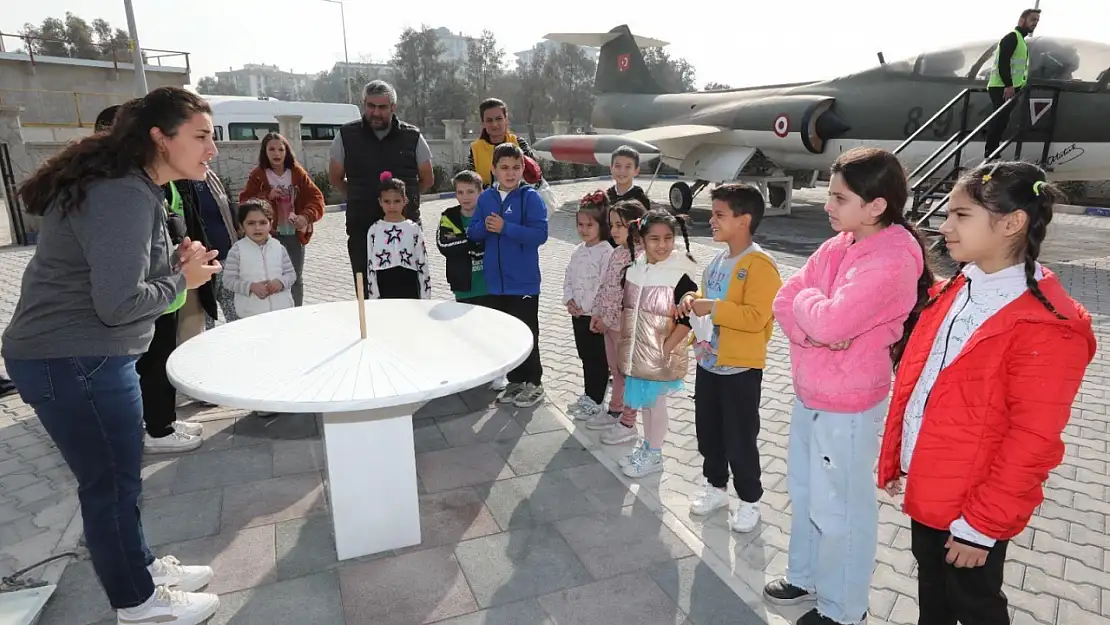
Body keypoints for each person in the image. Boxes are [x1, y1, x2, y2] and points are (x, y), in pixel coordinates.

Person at [1, 86, 222, 625]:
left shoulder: (129, 188)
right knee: (111, 487)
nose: (212, 150)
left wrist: (171, 262)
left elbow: (111, 273)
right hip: (76, 362)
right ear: (159, 137)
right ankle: (139, 603)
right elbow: (119, 303)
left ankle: (141, 568)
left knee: (119, 481)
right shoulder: (123, 193)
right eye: (201, 137)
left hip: (81, 358)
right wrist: (182, 279)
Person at [878, 161, 1095, 625]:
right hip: (931, 482)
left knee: (974, 606)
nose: (945, 225)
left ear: (1012, 223)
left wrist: (982, 526)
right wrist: (899, 453)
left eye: (961, 215)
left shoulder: (1049, 324)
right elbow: (924, 382)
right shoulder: (959, 289)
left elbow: (1033, 441)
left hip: (974, 504)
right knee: (933, 599)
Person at [766, 147, 933, 625]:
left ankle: (844, 610)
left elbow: (834, 321)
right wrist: (815, 322)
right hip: (811, 393)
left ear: (875, 205)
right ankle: (808, 576)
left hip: (849, 404)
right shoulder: (841, 244)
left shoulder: (893, 256)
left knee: (840, 507)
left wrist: (821, 318)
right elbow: (787, 297)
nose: (827, 205)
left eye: (839, 197)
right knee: (805, 491)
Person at [679, 183, 782, 534]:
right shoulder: (717, 261)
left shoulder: (760, 265)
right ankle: (715, 486)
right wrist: (693, 298)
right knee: (709, 431)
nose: (711, 220)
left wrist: (715, 308)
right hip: (709, 363)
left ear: (744, 220)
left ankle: (750, 500)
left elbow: (757, 317)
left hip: (740, 368)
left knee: (740, 436)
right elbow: (707, 299)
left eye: (720, 215)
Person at [329, 80, 434, 297]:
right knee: (367, 293)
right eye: (370, 106)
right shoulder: (346, 136)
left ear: (393, 107)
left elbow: (427, 179)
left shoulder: (412, 136)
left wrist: (405, 201)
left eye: (382, 107)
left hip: (404, 231)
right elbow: (336, 177)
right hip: (362, 230)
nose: (376, 112)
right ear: (363, 104)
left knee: (409, 292)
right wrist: (359, 196)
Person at [617, 209, 698, 479]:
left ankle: (654, 453)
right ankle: (649, 448)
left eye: (668, 238)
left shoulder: (679, 274)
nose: (662, 245)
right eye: (654, 239)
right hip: (637, 355)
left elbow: (688, 318)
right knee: (646, 405)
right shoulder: (633, 270)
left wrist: (665, 349)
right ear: (641, 239)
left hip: (659, 357)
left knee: (656, 404)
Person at [467, 143, 549, 408]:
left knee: (527, 334)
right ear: (493, 169)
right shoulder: (486, 198)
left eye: (516, 167)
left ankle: (534, 384)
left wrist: (506, 228)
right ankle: (515, 381)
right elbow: (474, 232)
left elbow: (540, 235)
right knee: (507, 336)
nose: (510, 173)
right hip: (496, 283)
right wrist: (484, 228)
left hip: (523, 282)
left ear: (523, 169)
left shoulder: (530, 198)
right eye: (504, 168)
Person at [238, 132, 326, 307]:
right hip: (268, 235)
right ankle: (273, 314)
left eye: (280, 149)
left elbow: (317, 198)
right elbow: (245, 202)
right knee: (268, 276)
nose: (276, 153)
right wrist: (267, 196)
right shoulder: (258, 174)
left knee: (294, 276)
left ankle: (296, 313)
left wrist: (305, 217)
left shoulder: (296, 172)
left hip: (294, 234)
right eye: (271, 149)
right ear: (265, 151)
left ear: (287, 151)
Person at [436, 170, 504, 390]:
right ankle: (474, 371)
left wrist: (467, 242)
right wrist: (474, 243)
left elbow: (495, 242)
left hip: (490, 284)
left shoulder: (490, 214)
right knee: (468, 332)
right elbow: (446, 246)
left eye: (470, 192)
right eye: (460, 192)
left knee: (493, 329)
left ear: (480, 191)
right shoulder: (449, 216)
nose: (465, 197)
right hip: (464, 286)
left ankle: (499, 371)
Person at [587, 199, 647, 444]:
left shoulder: (641, 258)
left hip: (625, 328)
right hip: (608, 326)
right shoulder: (617, 252)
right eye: (612, 225)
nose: (614, 230)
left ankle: (628, 422)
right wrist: (597, 313)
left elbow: (628, 298)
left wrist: (609, 318)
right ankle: (615, 409)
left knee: (629, 373)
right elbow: (606, 287)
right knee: (616, 371)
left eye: (621, 225)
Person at [564, 190, 615, 419]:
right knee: (585, 356)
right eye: (580, 225)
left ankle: (596, 399)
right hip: (579, 316)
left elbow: (607, 286)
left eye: (589, 225)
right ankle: (587, 394)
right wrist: (570, 301)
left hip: (596, 318)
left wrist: (595, 310)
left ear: (602, 225)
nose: (583, 230)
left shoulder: (607, 253)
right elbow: (568, 277)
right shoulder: (578, 252)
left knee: (598, 359)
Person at [222, 199, 297, 318]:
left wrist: (281, 282)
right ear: (242, 226)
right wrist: (251, 287)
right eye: (251, 223)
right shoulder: (237, 250)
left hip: (282, 311)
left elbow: (291, 274)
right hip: (251, 315)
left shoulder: (278, 247)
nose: (257, 228)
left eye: (262, 222)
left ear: (270, 223)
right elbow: (228, 281)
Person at [984, 8, 1040, 159]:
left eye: (1037, 21)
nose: (1035, 23)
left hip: (1009, 87)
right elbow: (1003, 62)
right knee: (999, 119)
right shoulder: (1012, 37)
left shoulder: (1021, 40)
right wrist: (1009, 85)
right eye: (1033, 19)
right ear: (1022, 20)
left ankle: (993, 150)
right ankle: (991, 152)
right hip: (1001, 87)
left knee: (1003, 120)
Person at [367, 173, 431, 299]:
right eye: (387, 201)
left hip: (409, 285)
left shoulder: (413, 229)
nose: (391, 206)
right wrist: (374, 299)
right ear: (380, 202)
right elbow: (370, 266)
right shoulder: (374, 230)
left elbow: (423, 263)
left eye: (396, 201)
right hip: (384, 285)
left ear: (404, 200)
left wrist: (425, 297)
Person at [194, 169, 240, 327]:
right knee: (205, 321)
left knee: (236, 317)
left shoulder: (210, 177)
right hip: (201, 265)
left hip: (227, 256)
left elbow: (226, 211)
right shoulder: (179, 183)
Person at [467, 98, 541, 188]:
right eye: (489, 120)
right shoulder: (475, 149)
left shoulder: (519, 143)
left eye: (499, 119)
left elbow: (536, 177)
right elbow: (472, 184)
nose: (495, 124)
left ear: (506, 119)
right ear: (483, 123)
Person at [606, 146, 652, 212]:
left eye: (628, 167)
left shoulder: (641, 199)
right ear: (611, 168)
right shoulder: (606, 197)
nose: (622, 171)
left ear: (636, 171)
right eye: (618, 166)